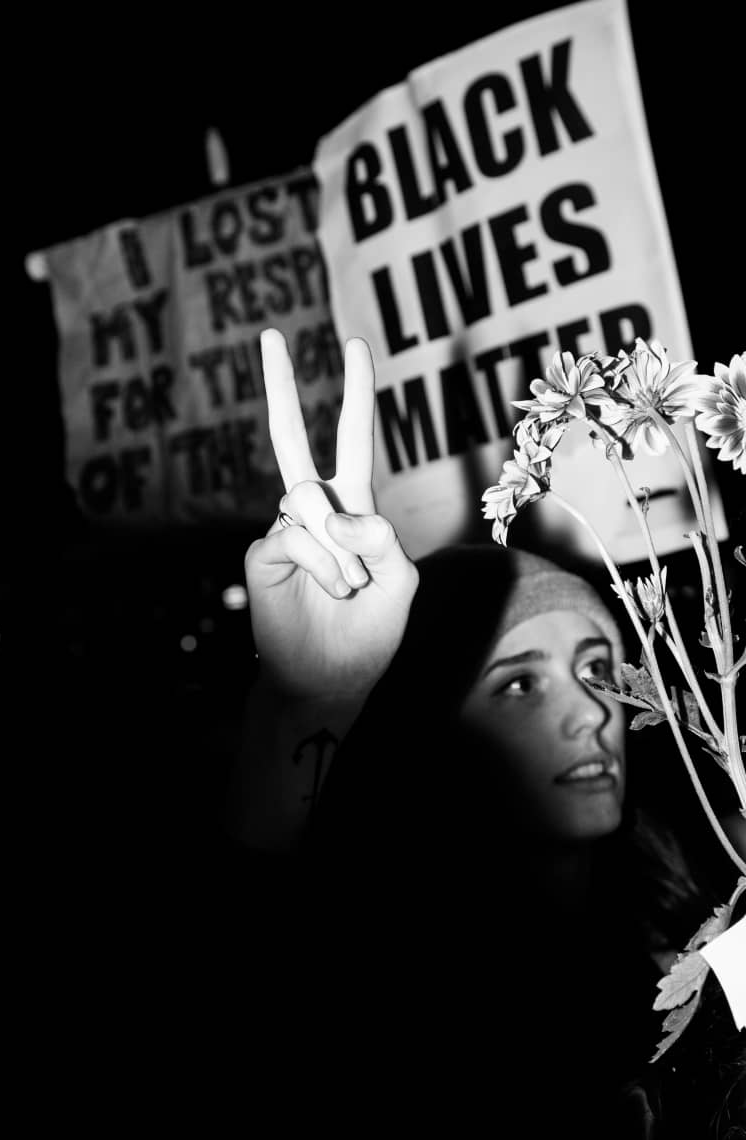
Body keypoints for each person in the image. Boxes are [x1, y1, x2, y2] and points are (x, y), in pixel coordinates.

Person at [229, 328, 741, 1138]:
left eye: (601, 667)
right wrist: (312, 707)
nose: (590, 712)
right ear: (437, 728)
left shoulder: (713, 895)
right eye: (518, 683)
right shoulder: (388, 991)